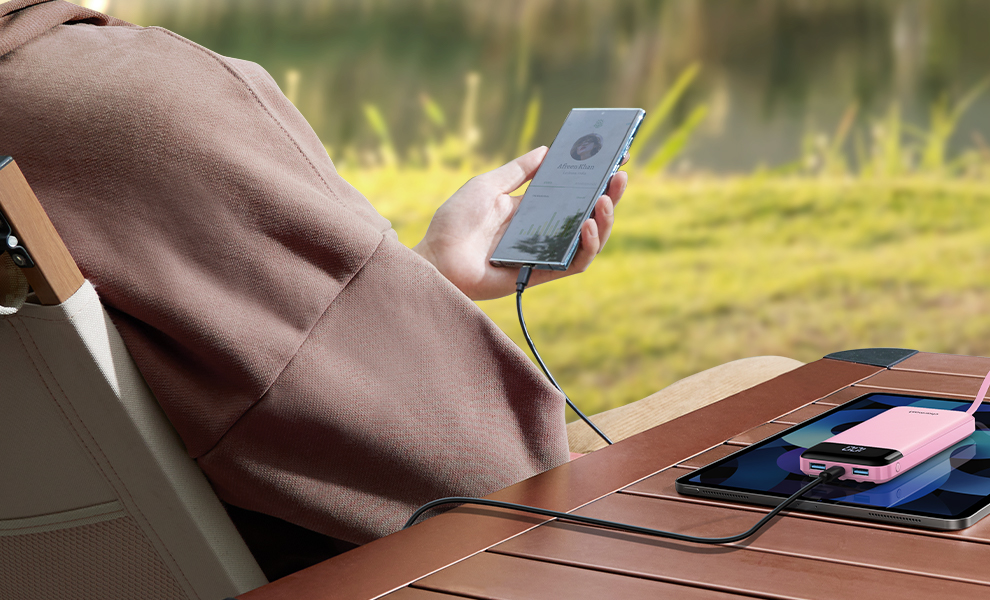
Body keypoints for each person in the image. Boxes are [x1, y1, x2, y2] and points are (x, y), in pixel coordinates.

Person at [0, 0, 800, 578]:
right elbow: (474, 472)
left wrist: (413, 278)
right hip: (402, 568)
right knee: (775, 392)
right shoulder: (126, 99)